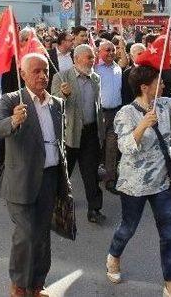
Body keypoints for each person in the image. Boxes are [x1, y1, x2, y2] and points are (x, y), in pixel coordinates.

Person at [106, 63, 171, 297]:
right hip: (134, 185)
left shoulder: (162, 104)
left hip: (162, 183)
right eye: (158, 82)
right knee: (128, 228)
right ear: (144, 87)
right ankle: (114, 256)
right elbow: (125, 147)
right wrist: (141, 126)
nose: (163, 85)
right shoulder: (125, 113)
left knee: (169, 235)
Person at [0, 53, 65, 297]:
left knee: (42, 235)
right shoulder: (12, 100)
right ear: (22, 74)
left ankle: (36, 285)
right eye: (36, 71)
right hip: (21, 181)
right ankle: (19, 286)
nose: (43, 75)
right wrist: (13, 120)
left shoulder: (55, 103)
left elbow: (58, 141)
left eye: (45, 71)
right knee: (27, 234)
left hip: (49, 178)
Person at [52, 44, 105, 223]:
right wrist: (63, 95)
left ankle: (94, 209)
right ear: (77, 59)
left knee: (91, 174)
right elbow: (53, 105)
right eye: (89, 57)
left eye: (93, 57)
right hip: (70, 134)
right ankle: (58, 207)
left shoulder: (96, 78)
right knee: (64, 173)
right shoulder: (61, 77)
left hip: (90, 133)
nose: (93, 60)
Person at [95, 40, 123, 194]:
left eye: (113, 50)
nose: (111, 53)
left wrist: (123, 46)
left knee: (112, 147)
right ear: (99, 52)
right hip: (100, 113)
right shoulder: (96, 69)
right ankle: (94, 173)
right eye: (107, 50)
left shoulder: (117, 68)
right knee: (98, 145)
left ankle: (110, 179)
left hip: (116, 113)